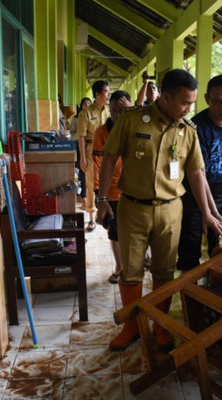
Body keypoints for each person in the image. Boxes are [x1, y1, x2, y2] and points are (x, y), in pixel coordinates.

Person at [96, 69, 222, 351]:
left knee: (164, 271)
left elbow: (196, 173)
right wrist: (101, 198)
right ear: (166, 97)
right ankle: (132, 327)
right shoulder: (132, 120)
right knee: (130, 272)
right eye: (185, 103)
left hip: (171, 210)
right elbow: (109, 158)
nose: (189, 109)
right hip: (133, 208)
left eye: (192, 104)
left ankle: (160, 325)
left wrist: (207, 212)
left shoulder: (188, 131)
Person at [177, 75, 222, 271]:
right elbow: (198, 174)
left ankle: (214, 295)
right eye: (217, 101)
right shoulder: (195, 127)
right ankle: (190, 296)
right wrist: (207, 212)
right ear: (207, 99)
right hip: (195, 194)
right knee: (189, 252)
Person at [92, 90, 132, 284]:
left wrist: (131, 114)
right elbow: (99, 163)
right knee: (115, 231)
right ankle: (119, 267)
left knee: (135, 231)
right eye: (114, 111)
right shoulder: (102, 132)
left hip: (135, 189)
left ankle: (136, 261)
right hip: (113, 191)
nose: (118, 116)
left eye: (123, 111)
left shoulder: (137, 127)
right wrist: (101, 195)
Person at [76, 81, 110, 231]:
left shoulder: (110, 111)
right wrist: (82, 159)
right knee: (90, 183)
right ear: (97, 94)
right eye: (106, 92)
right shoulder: (86, 113)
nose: (108, 95)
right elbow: (81, 137)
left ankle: (108, 212)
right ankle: (91, 217)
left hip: (108, 151)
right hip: (90, 151)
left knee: (109, 181)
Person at [70, 97, 92, 201]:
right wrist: (81, 135)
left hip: (92, 147)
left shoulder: (93, 117)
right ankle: (83, 194)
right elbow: (72, 133)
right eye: (85, 103)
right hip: (80, 146)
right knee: (82, 170)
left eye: (89, 103)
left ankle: (91, 193)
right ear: (81, 106)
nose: (87, 105)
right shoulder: (75, 118)